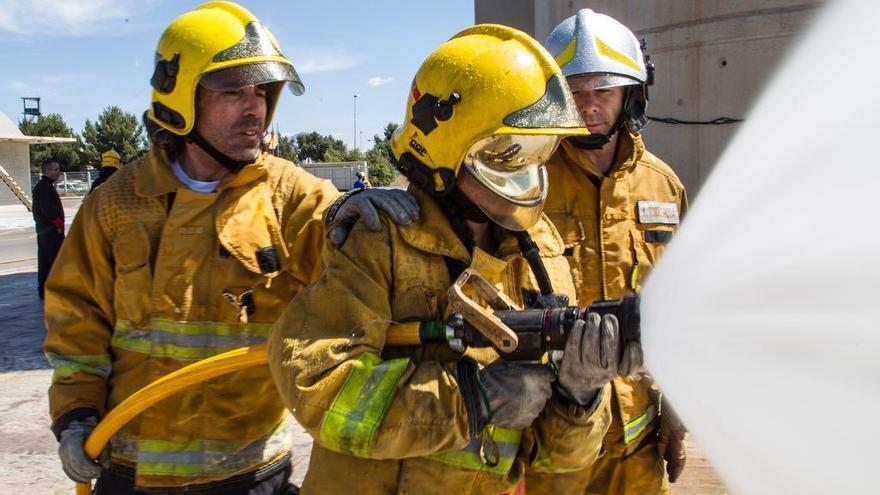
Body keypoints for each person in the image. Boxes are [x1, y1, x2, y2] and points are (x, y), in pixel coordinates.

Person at [42, 2, 417, 493]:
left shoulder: (293, 198)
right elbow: (76, 324)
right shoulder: (115, 205)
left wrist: (388, 229)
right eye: (232, 90)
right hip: (130, 473)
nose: (255, 106)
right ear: (181, 97)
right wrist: (75, 416)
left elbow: (372, 279)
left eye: (261, 91)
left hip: (249, 476)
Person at [270, 24, 642, 495]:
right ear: (451, 145)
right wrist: (471, 398)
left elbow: (554, 459)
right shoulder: (379, 238)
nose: (525, 169)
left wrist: (580, 395)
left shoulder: (543, 253)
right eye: (508, 152)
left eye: (536, 150)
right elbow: (318, 387)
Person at [528, 9, 690, 495]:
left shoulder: (662, 186)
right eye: (575, 93)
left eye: (603, 91)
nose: (589, 105)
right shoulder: (524, 183)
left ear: (631, 94)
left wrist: (678, 416)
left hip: (636, 445)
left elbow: (681, 307)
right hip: (553, 438)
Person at [32, 160, 64, 299]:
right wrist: (59, 225)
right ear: (48, 171)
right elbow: (48, 210)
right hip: (50, 232)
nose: (59, 172)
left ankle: (45, 291)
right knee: (53, 263)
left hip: (45, 232)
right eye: (56, 169)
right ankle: (52, 291)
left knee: (45, 263)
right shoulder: (44, 187)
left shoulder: (44, 186)